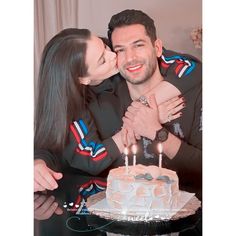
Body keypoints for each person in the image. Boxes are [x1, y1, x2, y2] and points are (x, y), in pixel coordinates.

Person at [34, 24, 201, 194]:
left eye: (105, 46)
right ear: (83, 79)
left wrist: (146, 104)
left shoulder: (124, 55)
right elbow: (90, 157)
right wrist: (138, 123)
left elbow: (191, 67)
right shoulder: (72, 108)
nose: (113, 55)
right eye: (102, 61)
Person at [105, 9, 202, 197]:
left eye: (138, 45)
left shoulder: (198, 93)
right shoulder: (105, 98)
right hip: (123, 215)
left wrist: (156, 132)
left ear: (157, 48)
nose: (130, 58)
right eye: (120, 50)